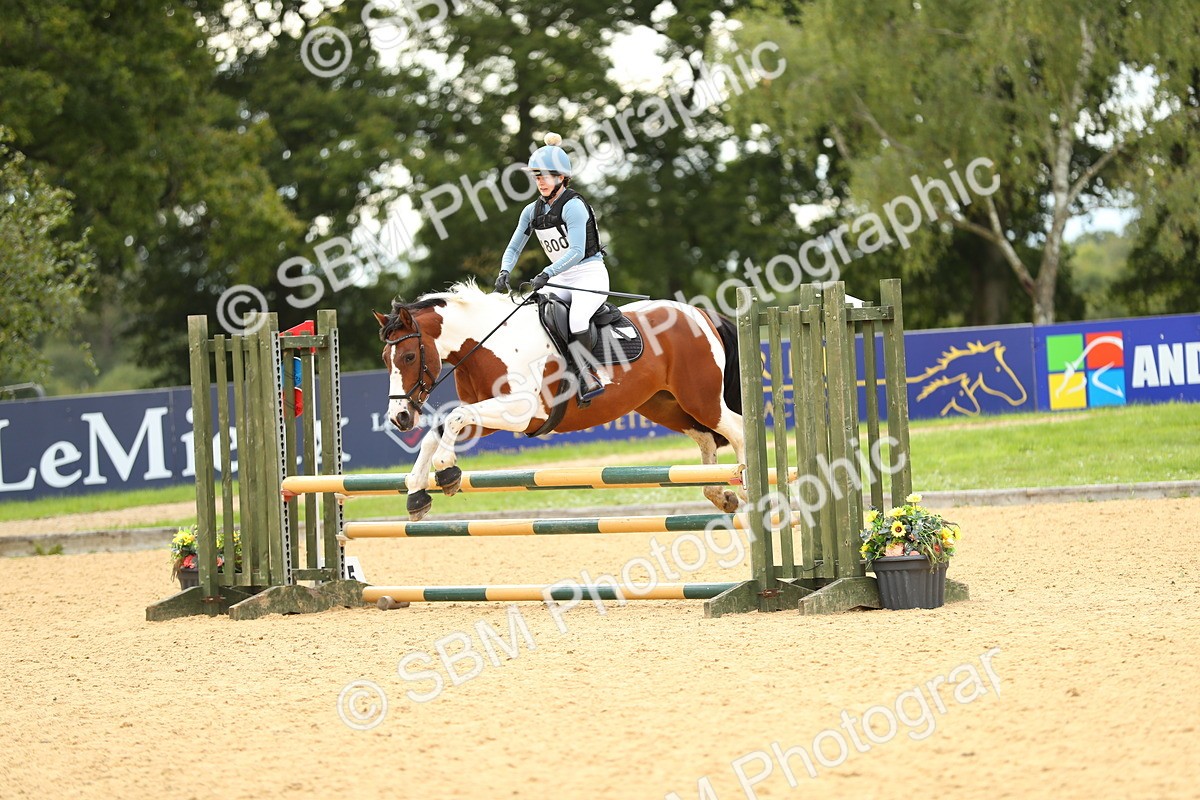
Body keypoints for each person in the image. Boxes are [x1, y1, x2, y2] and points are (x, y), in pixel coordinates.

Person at [495, 132, 608, 402]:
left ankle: (588, 374)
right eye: (537, 177)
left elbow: (578, 251)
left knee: (578, 318)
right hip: (560, 278)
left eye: (545, 176)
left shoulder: (574, 206)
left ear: (561, 178)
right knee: (534, 316)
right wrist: (504, 271)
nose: (540, 182)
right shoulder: (531, 211)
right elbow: (514, 247)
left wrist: (548, 272)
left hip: (589, 275)